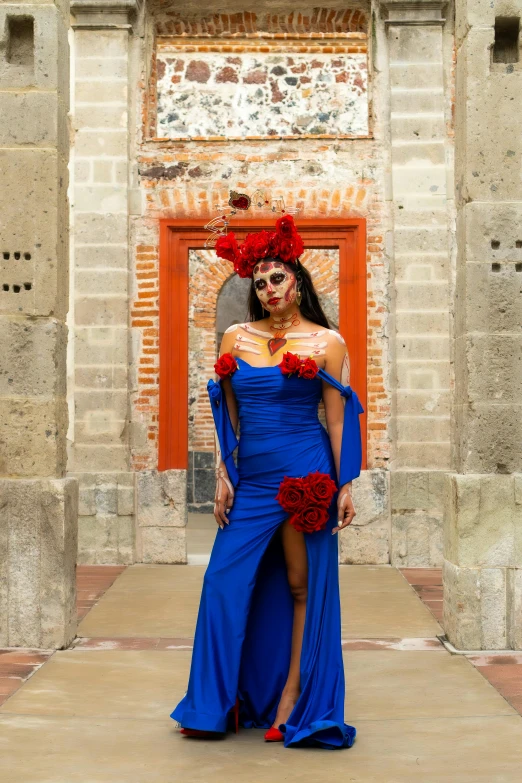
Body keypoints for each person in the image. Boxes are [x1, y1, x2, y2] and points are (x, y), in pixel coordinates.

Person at [170, 215, 364, 749]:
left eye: (278, 278)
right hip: (252, 482)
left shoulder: (327, 341)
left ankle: (292, 698)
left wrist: (345, 484)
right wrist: (222, 477)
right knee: (222, 583)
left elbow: (339, 418)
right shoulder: (237, 336)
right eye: (259, 282)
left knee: (303, 586)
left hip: (307, 475)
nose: (269, 288)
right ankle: (211, 704)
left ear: (296, 281)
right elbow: (227, 415)